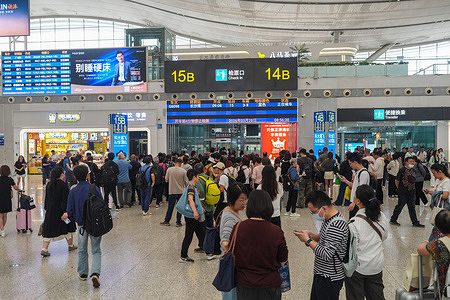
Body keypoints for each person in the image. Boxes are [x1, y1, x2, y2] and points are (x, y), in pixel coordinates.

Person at [232, 190, 288, 300]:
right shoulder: (276, 231)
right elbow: (283, 259)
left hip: (244, 283)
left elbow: (232, 252)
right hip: (270, 284)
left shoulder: (238, 228)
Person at [294, 191, 349, 300]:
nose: (312, 214)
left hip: (330, 277)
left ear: (323, 208)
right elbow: (325, 237)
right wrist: (312, 235)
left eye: (313, 212)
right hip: (322, 273)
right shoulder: (328, 219)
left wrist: (308, 241)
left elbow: (326, 254)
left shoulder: (336, 225)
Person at [63, 165, 104, 288]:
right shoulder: (94, 188)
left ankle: (83, 273)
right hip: (95, 224)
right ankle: (95, 273)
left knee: (82, 249)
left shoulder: (73, 191)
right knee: (96, 249)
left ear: (75, 177)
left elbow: (69, 211)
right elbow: (101, 204)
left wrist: (66, 220)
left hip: (81, 225)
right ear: (88, 175)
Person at [345, 185, 388, 300]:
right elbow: (384, 236)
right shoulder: (381, 216)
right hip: (376, 265)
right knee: (376, 295)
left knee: (355, 296)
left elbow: (350, 249)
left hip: (358, 268)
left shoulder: (354, 223)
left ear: (357, 200)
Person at [219, 182, 248, 300]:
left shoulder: (231, 211)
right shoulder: (230, 217)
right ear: (232, 199)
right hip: (230, 264)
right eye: (241, 200)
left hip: (232, 263)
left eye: (245, 199)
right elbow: (225, 242)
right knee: (231, 296)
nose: (244, 203)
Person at [41, 166, 77, 257]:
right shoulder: (64, 185)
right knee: (68, 225)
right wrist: (66, 211)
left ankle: (44, 249)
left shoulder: (49, 184)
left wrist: (46, 209)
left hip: (51, 211)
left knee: (49, 228)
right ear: (62, 174)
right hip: (62, 212)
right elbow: (66, 200)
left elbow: (47, 198)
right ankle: (70, 245)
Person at [417, 209, 450, 300]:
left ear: (438, 229)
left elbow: (420, 250)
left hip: (445, 290)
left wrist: (426, 242)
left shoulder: (438, 245)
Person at [389, 156, 425, 227]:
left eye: (413, 161)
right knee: (400, 206)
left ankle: (415, 222)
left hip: (412, 192)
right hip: (403, 192)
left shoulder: (413, 170)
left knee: (412, 208)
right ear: (406, 162)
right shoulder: (402, 170)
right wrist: (399, 189)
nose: (412, 163)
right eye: (411, 161)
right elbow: (397, 180)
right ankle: (393, 219)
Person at [179, 169, 206, 263]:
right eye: (198, 176)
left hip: (193, 213)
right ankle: (183, 256)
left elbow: (195, 200)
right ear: (194, 177)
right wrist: (195, 211)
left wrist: (200, 209)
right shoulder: (191, 187)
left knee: (200, 232)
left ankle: (209, 251)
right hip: (191, 215)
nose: (198, 178)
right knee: (189, 235)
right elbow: (190, 199)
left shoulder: (191, 186)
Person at [424, 163, 450, 241]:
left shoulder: (447, 182)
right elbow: (438, 192)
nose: (433, 175)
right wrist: (430, 192)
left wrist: (435, 194)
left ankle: (431, 246)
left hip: (444, 209)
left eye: (434, 173)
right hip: (440, 207)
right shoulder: (439, 180)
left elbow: (445, 195)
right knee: (438, 228)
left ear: (440, 172)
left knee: (438, 228)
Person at [340, 152, 370, 218]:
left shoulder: (364, 173)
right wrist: (345, 181)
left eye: (350, 163)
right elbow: (355, 186)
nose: (350, 166)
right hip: (355, 202)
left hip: (358, 204)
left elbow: (361, 191)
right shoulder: (358, 172)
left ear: (355, 162)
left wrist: (354, 203)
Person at [161, 158, 187, 227]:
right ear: (181, 164)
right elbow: (185, 182)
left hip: (172, 191)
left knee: (170, 207)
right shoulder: (183, 171)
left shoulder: (169, 170)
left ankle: (167, 221)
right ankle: (178, 222)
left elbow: (166, 180)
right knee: (179, 207)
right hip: (181, 191)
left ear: (174, 163)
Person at [0, 165, 21, 237]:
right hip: (6, 198)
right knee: (5, 215)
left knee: (0, 215)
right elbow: (15, 187)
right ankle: (2, 229)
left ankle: (2, 230)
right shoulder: (10, 179)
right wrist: (20, 190)